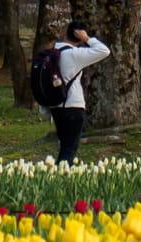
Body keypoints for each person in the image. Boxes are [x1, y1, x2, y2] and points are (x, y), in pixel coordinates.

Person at [41, 21, 111, 163]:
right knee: (69, 149)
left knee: (64, 146)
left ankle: (58, 172)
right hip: (73, 106)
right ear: (79, 35)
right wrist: (87, 38)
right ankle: (62, 174)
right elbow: (104, 51)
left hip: (56, 107)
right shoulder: (74, 54)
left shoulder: (52, 53)